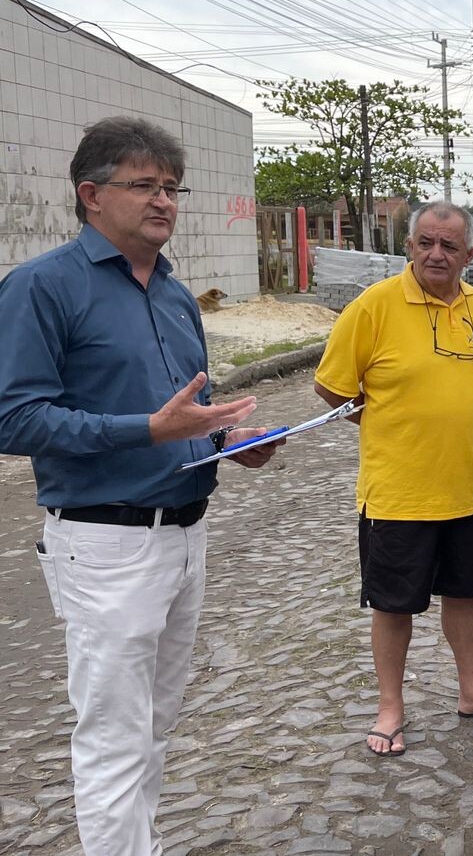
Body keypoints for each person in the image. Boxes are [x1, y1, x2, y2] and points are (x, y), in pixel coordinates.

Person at [0, 116, 281, 855]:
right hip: (104, 542)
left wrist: (228, 439)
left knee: (154, 725)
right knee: (114, 737)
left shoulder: (177, 296)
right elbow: (15, 420)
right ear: (91, 194)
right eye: (144, 186)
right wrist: (145, 431)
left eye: (171, 187)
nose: (164, 201)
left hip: (186, 534)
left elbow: (189, 411)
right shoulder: (40, 288)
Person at [313, 200, 473, 758]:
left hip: (472, 488)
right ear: (409, 246)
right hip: (398, 490)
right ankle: (391, 706)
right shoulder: (373, 307)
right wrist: (381, 418)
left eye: (449, 246)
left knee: (466, 592)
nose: (436, 254)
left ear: (470, 255)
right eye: (425, 242)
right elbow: (331, 387)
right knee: (393, 603)